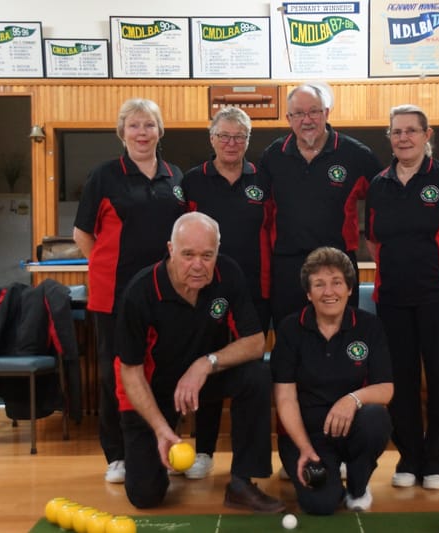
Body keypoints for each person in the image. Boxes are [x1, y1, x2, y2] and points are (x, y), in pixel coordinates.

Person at [114, 212, 285, 513]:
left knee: (257, 376)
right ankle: (153, 454)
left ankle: (242, 483)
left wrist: (205, 364)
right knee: (145, 497)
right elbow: (130, 372)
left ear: (217, 252)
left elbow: (256, 342)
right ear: (170, 249)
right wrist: (159, 427)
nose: (198, 265)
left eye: (207, 256)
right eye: (188, 254)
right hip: (151, 391)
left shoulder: (227, 275)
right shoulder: (140, 293)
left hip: (202, 381)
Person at [365, 104, 439, 491]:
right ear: (389, 138)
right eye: (396, 132)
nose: (403, 138)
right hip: (392, 300)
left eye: (411, 131)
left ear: (426, 135)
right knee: (398, 381)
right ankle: (409, 457)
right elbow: (373, 240)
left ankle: (438, 462)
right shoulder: (378, 184)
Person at [73, 98, 185, 484]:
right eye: (134, 126)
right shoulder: (104, 175)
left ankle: (167, 444)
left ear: (160, 131)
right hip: (114, 296)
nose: (142, 133)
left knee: (164, 370)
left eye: (149, 125)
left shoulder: (176, 177)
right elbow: (82, 234)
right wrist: (106, 266)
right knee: (115, 375)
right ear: (122, 133)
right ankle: (118, 454)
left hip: (165, 295)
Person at [180, 107, 272, 480]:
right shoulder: (191, 182)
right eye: (224, 136)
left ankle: (247, 463)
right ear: (212, 139)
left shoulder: (263, 181)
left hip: (255, 293)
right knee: (208, 366)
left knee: (251, 373)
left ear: (248, 141)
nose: (232, 143)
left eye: (239, 137)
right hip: (203, 294)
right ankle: (203, 451)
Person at [270, 247, 393, 514]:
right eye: (319, 284)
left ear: (349, 288)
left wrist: (352, 399)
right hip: (307, 434)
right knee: (320, 505)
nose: (329, 292)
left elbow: (386, 389)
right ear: (308, 293)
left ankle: (358, 486)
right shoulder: (291, 328)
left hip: (352, 427)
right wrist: (304, 449)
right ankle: (328, 474)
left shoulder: (369, 325)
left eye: (337, 282)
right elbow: (285, 397)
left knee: (376, 418)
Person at [259, 83, 383, 328]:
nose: (307, 120)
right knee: (289, 342)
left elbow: (386, 200)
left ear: (326, 113)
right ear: (288, 119)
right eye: (299, 114)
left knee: (339, 343)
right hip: (287, 268)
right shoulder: (273, 156)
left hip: (338, 267)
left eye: (314, 111)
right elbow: (261, 216)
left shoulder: (356, 155)